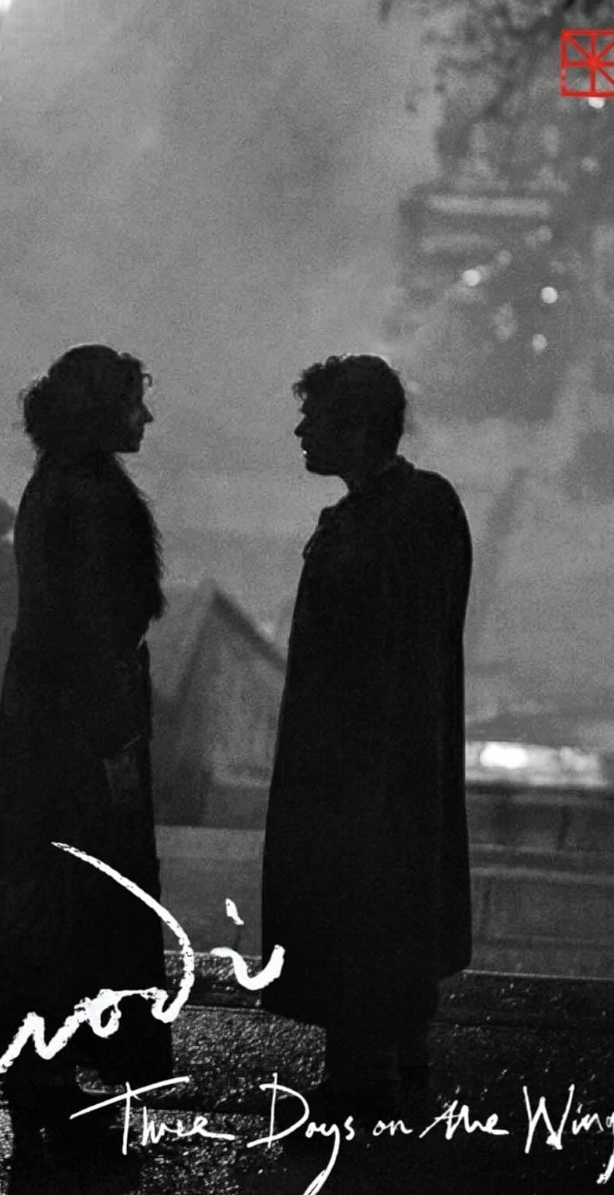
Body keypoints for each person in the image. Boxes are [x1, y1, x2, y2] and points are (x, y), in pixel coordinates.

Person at [0, 343, 172, 1145]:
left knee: (49, 886)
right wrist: (113, 733)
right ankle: (51, 1073)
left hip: (51, 720)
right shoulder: (89, 496)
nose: (145, 416)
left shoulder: (59, 484)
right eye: (132, 402)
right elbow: (93, 626)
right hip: (81, 727)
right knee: (77, 889)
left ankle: (42, 1067)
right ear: (101, 412)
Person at [261, 353, 472, 1120]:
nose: (301, 432)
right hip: (400, 752)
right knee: (396, 899)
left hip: (355, 761)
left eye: (314, 420)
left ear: (353, 430)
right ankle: (401, 1051)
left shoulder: (371, 526)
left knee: (353, 903)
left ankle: (359, 1075)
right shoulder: (428, 507)